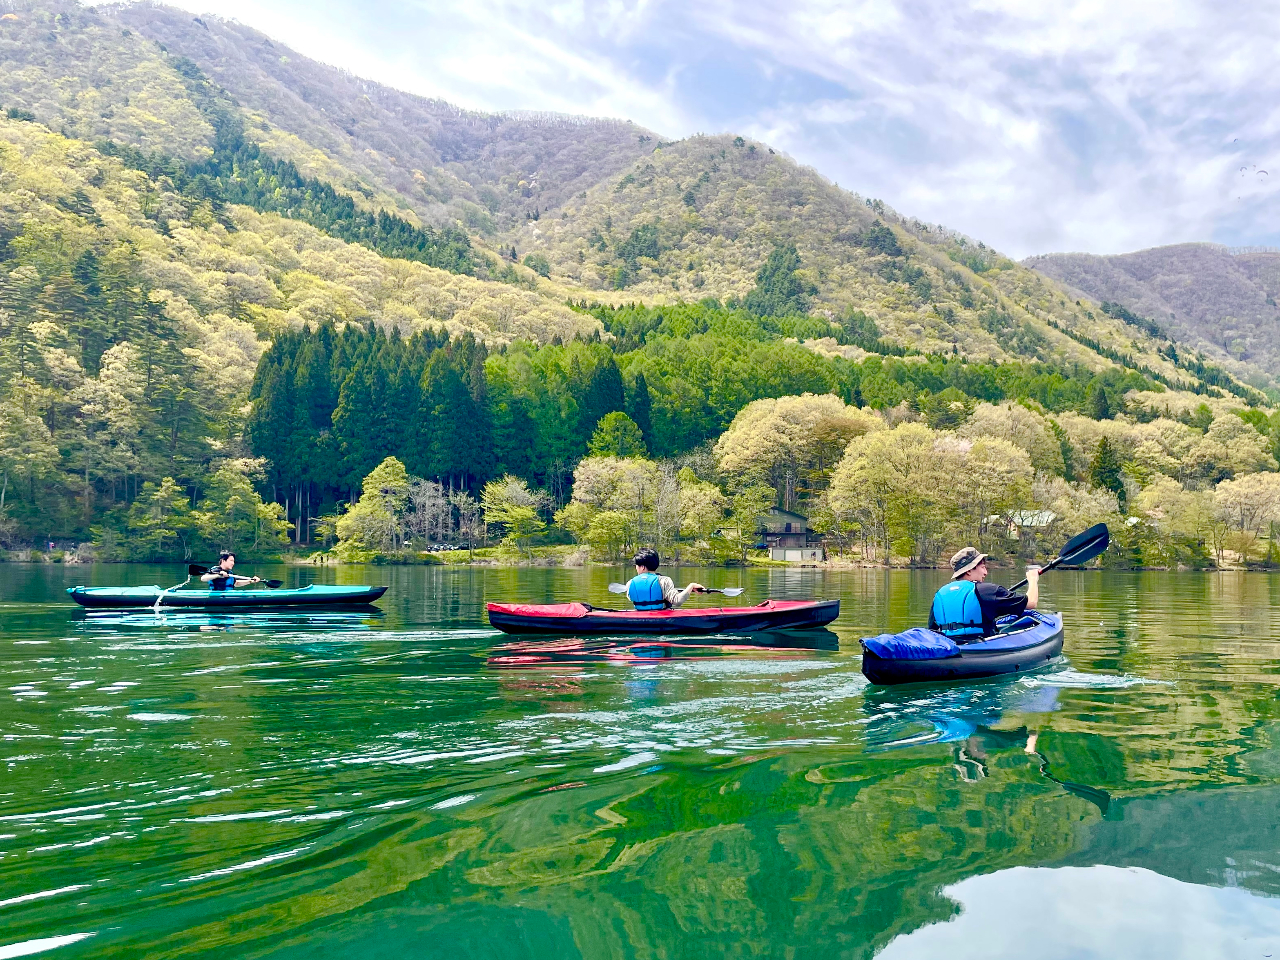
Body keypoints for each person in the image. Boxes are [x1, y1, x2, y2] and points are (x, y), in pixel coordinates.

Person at [928, 547, 1039, 642]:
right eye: (983, 567)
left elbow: (933, 630)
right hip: (981, 649)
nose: (985, 572)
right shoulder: (989, 591)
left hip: (949, 650)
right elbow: (1031, 602)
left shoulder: (940, 594)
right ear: (969, 571)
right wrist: (1033, 579)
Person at [625, 549, 704, 610]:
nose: (636, 567)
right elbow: (678, 601)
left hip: (638, 619)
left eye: (636, 565)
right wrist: (691, 586)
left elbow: (631, 597)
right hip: (661, 620)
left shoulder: (630, 583)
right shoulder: (664, 581)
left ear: (642, 567)